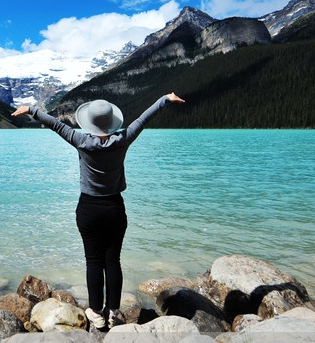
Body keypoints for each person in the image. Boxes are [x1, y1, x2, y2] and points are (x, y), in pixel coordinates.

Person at [11, 92, 185, 329]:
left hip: (89, 209)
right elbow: (144, 119)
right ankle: (114, 312)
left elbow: (55, 125)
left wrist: (32, 110)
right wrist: (164, 99)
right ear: (111, 121)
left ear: (89, 123)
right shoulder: (123, 139)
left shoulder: (80, 140)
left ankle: (95, 312)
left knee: (93, 262)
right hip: (114, 208)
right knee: (113, 262)